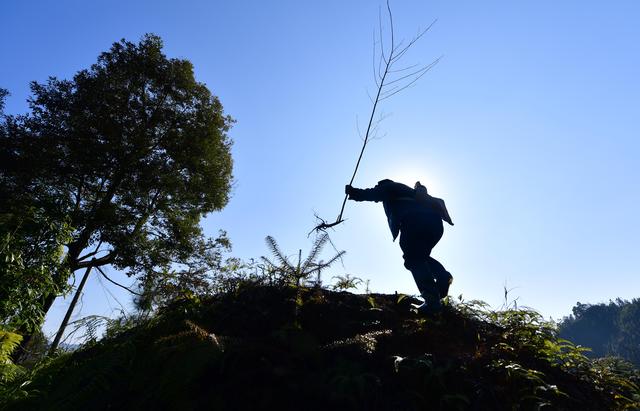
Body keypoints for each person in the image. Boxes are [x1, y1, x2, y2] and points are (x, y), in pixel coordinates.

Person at [345, 179, 454, 314]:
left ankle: (432, 302)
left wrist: (354, 192)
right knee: (420, 257)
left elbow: (374, 194)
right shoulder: (411, 193)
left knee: (414, 259)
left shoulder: (390, 187)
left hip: (414, 221)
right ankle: (443, 277)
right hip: (435, 225)